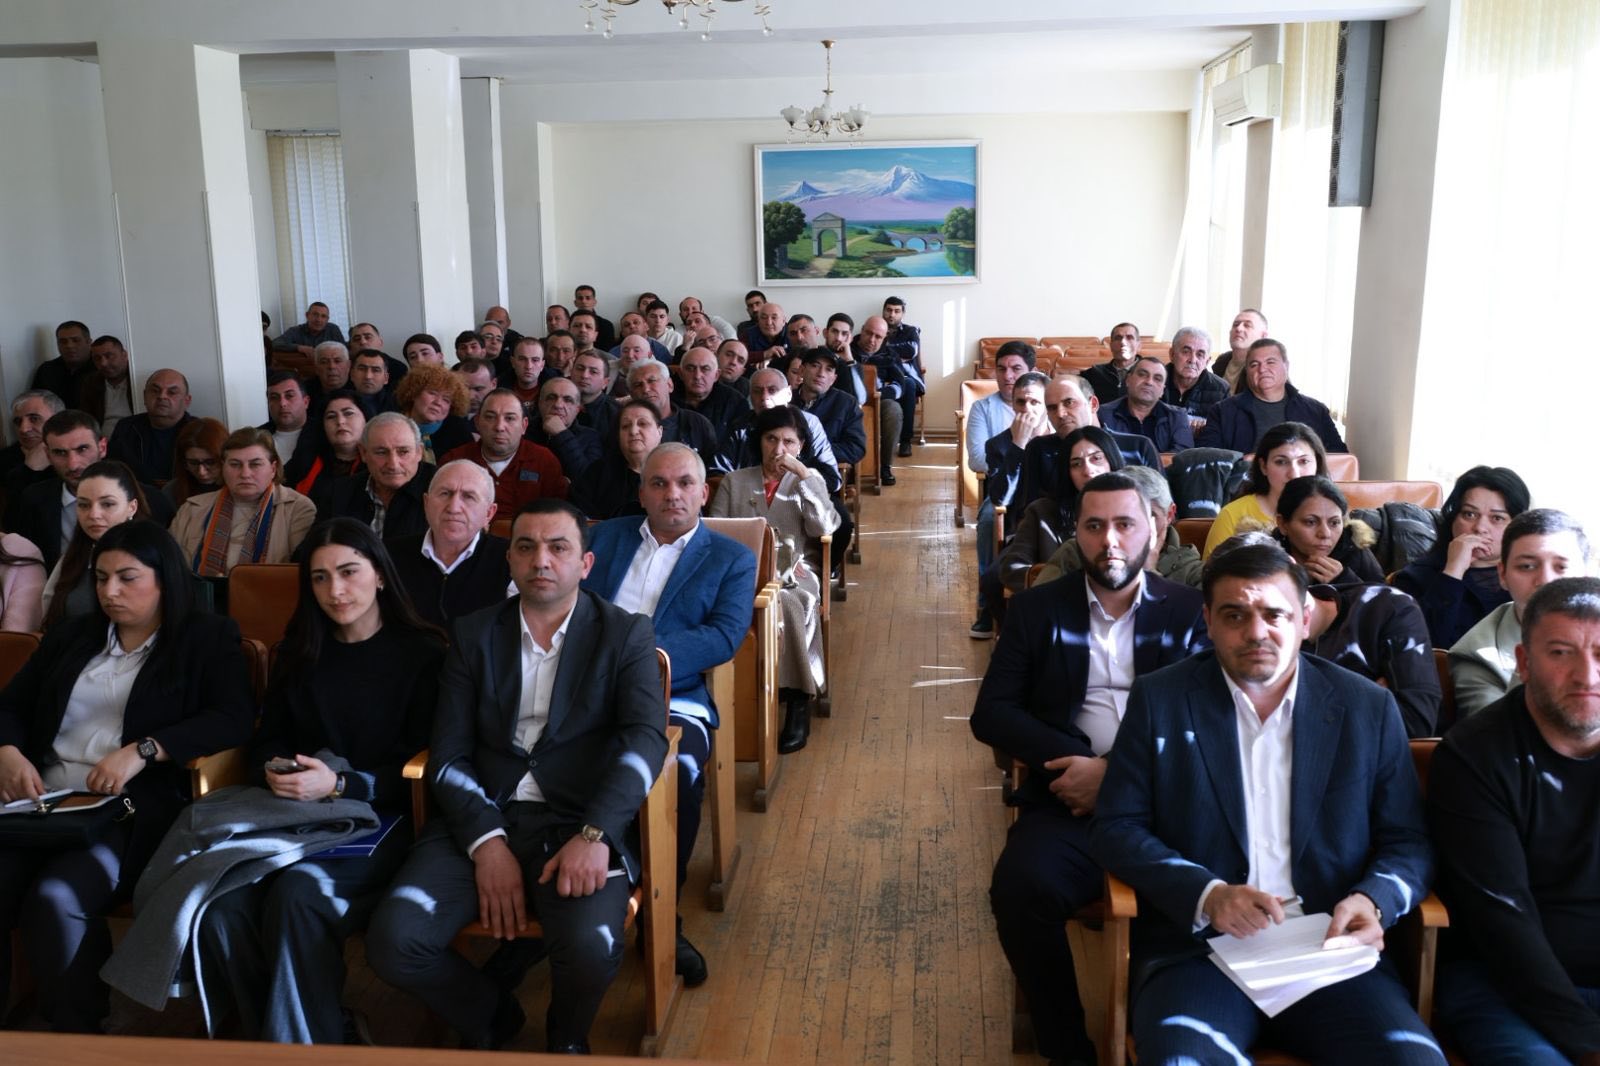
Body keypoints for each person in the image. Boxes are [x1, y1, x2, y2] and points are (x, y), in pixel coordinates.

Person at [1091, 535, 1440, 1064]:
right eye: (1234, 615)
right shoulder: (1161, 698)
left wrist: (1373, 900)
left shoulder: (1367, 708)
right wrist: (1207, 894)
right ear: (1208, 622)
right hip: (1200, 953)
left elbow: (1408, 841)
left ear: (1305, 619)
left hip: (1327, 947)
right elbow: (1116, 827)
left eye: (1274, 615)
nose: (1256, 632)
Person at [365, 499, 669, 1054]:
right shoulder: (474, 633)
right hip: (482, 815)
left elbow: (645, 740)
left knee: (591, 946)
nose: (540, 560)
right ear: (509, 560)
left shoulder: (625, 633)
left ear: (586, 564)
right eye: (525, 547)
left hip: (578, 819)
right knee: (394, 941)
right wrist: (486, 842)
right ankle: (492, 1014)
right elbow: (449, 753)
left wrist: (597, 833)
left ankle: (566, 1039)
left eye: (558, 548)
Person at [971, 472, 1209, 1066]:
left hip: (1170, 804)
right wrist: (1072, 765)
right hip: (1068, 800)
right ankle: (1066, 1047)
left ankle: (1172, 1024)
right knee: (1020, 889)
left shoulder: (1191, 612)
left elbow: (1209, 720)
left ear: (1154, 530)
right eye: (1095, 526)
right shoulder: (1036, 608)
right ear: (1075, 533)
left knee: (1210, 887)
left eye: (1125, 524)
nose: (1110, 541)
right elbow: (991, 712)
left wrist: (1115, 775)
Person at [189, 519, 444, 1044]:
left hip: (386, 816)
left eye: (349, 572)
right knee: (223, 904)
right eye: (321, 578)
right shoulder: (300, 650)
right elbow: (268, 740)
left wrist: (340, 786)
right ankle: (294, 1038)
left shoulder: (426, 653)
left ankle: (308, 1044)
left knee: (298, 895)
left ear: (379, 575)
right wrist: (275, 769)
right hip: (300, 815)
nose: (336, 590)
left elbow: (426, 767)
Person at [0, 520, 253, 1033]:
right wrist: (7, 751)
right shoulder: (73, 636)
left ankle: (77, 1032)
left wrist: (145, 749)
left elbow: (232, 717)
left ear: (165, 580)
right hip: (39, 800)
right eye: (101, 577)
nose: (110, 591)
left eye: (127, 578)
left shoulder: (205, 638)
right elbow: (11, 706)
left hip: (127, 809)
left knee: (56, 898)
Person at [585, 444, 757, 984]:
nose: (672, 494)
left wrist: (633, 658)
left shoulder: (730, 557)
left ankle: (662, 913)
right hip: (582, 688)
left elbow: (723, 636)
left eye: (684, 484)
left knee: (676, 776)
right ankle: (585, 894)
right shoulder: (602, 538)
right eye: (658, 484)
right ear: (641, 493)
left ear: (704, 493)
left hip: (673, 693)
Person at [1430, 577, 1600, 1063]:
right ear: (1523, 663)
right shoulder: (1474, 756)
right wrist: (1591, 1045)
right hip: (1503, 984)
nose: (1586, 676)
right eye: (1561, 653)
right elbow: (1504, 926)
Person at [709, 407, 839, 751]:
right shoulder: (735, 481)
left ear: (800, 446)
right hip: (742, 571)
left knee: (790, 603)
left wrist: (804, 475)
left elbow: (825, 527)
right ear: (759, 441)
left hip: (795, 571)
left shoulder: (809, 480)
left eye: (788, 442)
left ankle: (798, 698)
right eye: (771, 439)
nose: (778, 449)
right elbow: (714, 533)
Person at [1448, 508, 1591, 719]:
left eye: (1561, 567)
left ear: (1586, 575)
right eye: (1527, 566)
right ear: (1502, 575)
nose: (1545, 580)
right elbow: (1497, 732)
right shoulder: (1476, 656)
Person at [987, 426, 1124, 617]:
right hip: (1059, 613)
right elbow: (1011, 569)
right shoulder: (1042, 512)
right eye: (1076, 464)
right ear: (1067, 472)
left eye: (1096, 458)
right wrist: (1065, 586)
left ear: (1112, 461)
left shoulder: (1134, 512)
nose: (1087, 470)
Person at [1392, 465, 1531, 648]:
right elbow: (1421, 647)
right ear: (1453, 519)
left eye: (1497, 518)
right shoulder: (1416, 577)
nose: (1480, 527)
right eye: (1469, 514)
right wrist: (1453, 571)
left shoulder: (1532, 577)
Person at [1301, 576, 1441, 737]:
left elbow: (1415, 725)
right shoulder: (1278, 645)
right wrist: (1371, 698)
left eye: (1276, 614)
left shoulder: (1386, 607)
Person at [171, 429, 317, 576]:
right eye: (235, 464)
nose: (245, 474)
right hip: (200, 590)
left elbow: (300, 574)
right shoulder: (191, 508)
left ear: (273, 469)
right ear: (223, 467)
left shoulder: (298, 508)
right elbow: (170, 566)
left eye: (255, 464)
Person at [1038, 463, 1206, 589]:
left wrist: (1148, 574)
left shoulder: (1192, 571)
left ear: (1170, 514)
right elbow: (1036, 611)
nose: (1141, 527)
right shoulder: (1076, 552)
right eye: (1126, 520)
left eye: (1150, 516)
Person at [388, 461, 513, 629]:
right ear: (426, 503)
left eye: (468, 497)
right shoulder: (390, 555)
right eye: (445, 493)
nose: (454, 508)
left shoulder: (510, 560)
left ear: (489, 513)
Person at [1018, 375, 1160, 512]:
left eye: (1069, 403)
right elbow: (1027, 512)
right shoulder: (1039, 449)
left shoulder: (1139, 447)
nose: (1060, 413)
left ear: (1093, 404)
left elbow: (1160, 507)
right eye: (1052, 408)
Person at [42, 460, 150, 629]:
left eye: (107, 504)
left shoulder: (154, 557)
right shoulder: (73, 558)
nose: (93, 514)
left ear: (132, 507)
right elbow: (49, 618)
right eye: (83, 505)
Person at [1196, 338, 1349, 454]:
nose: (1262, 369)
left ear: (1286, 366)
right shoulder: (1223, 412)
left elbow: (1339, 459)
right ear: (1247, 372)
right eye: (1254, 365)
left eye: (1270, 362)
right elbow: (1208, 460)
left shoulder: (1315, 411)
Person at [1203, 421, 1329, 558]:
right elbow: (1212, 570)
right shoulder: (1232, 515)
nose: (1294, 474)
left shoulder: (1334, 513)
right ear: (1263, 466)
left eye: (1303, 462)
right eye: (1281, 462)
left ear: (1318, 464)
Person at [440, 389, 568, 513]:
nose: (499, 427)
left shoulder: (544, 461)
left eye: (510, 418)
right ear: (477, 422)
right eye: (490, 417)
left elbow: (558, 515)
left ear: (524, 425)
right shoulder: (454, 461)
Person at [314, 413, 435, 542]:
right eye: (381, 452)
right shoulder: (338, 493)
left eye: (403, 452)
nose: (393, 464)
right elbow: (314, 547)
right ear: (363, 453)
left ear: (419, 452)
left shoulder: (441, 490)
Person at [13, 410, 109, 572]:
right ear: (48, 455)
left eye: (82, 449)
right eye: (60, 453)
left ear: (102, 447)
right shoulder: (34, 500)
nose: (73, 464)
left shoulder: (142, 496)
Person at [1272, 475, 1386, 586]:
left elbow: (1386, 596)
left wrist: (1344, 580)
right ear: (1283, 524)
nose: (1325, 534)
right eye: (1310, 522)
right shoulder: (1268, 554)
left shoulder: (1353, 546)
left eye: (1334, 523)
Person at [569, 400, 661, 521]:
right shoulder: (597, 473)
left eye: (642, 424)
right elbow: (578, 516)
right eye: (625, 426)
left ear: (660, 432)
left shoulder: (675, 470)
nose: (633, 431)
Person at [106, 369, 195, 484]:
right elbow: (112, 472)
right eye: (155, 391)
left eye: (172, 392)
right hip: (136, 493)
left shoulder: (199, 431)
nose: (162, 396)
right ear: (144, 396)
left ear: (187, 401)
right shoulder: (126, 428)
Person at [1098, 355, 1195, 453]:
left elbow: (1182, 455)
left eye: (1157, 379)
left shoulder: (1177, 416)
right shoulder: (1104, 414)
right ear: (1128, 380)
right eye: (1142, 375)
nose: (1149, 382)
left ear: (1162, 390)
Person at [1, 389, 66, 527]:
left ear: (58, 420)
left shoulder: (75, 455)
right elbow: (12, 520)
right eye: (18, 421)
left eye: (34, 419)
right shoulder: (5, 459)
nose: (23, 429)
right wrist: (29, 470)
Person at [393, 363, 473, 464]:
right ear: (414, 393)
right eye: (432, 393)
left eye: (446, 400)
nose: (438, 402)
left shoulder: (459, 430)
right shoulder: (391, 425)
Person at [294, 390, 367, 498]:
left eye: (348, 413)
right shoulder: (306, 460)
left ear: (366, 419)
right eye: (331, 416)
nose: (340, 421)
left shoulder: (377, 461)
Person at [527, 377, 602, 479]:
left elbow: (589, 479)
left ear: (577, 409)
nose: (558, 405)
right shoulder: (524, 431)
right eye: (551, 397)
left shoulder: (591, 437)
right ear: (540, 403)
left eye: (568, 400)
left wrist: (562, 434)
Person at [880, 296, 924, 456]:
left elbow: (911, 351)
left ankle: (905, 441)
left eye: (896, 311)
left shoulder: (910, 331)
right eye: (889, 310)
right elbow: (869, 351)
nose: (892, 314)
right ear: (883, 311)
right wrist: (897, 353)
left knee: (908, 384)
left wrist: (886, 349)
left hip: (905, 376)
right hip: (881, 376)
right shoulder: (875, 330)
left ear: (902, 314)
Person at [1162, 326, 1228, 431]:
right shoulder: (1155, 381)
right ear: (1172, 354)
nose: (1192, 360)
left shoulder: (1221, 390)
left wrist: (1204, 431)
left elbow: (1224, 431)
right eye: (1186, 352)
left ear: (1207, 361)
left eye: (1200, 355)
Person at [676, 345, 748, 439]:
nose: (697, 376)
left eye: (705, 369)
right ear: (681, 374)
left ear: (716, 375)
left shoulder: (736, 402)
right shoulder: (668, 398)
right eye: (690, 368)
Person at [264, 371, 319, 485]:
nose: (282, 403)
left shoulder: (323, 434)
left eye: (289, 396)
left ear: (306, 402)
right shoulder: (255, 437)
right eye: (274, 397)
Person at [163, 417, 227, 510]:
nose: (202, 472)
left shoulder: (242, 487)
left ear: (225, 458)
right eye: (193, 463)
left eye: (210, 462)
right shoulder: (172, 491)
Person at [79, 335, 135, 439]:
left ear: (124, 355)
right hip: (101, 441)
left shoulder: (136, 380)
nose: (103, 363)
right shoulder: (91, 382)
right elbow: (86, 419)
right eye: (97, 358)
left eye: (109, 356)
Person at [31, 321, 95, 403]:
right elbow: (34, 403)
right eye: (63, 341)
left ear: (89, 342)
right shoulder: (47, 370)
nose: (69, 346)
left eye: (76, 340)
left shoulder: (101, 368)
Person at [1080, 321, 1142, 404]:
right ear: (1111, 346)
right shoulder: (1094, 373)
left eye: (1129, 338)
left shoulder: (1151, 373)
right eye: (1118, 338)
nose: (1123, 342)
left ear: (1139, 346)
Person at [1209, 307, 1268, 392]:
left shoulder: (1266, 369)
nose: (1239, 329)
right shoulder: (1221, 362)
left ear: (1263, 336)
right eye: (1235, 325)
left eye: (1247, 325)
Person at [273, 302, 345, 362]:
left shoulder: (333, 329)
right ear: (307, 315)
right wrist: (300, 347)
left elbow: (344, 351)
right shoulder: (295, 331)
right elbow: (275, 343)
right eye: (315, 315)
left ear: (327, 319)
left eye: (323, 316)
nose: (319, 320)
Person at [349, 349, 397, 414]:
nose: (368, 376)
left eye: (376, 370)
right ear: (352, 375)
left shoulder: (399, 405)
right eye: (362, 369)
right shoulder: (339, 402)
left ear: (386, 378)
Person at [573, 283, 616, 350]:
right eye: (580, 298)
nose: (584, 301)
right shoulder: (569, 323)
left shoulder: (606, 325)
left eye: (588, 298)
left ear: (594, 302)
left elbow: (607, 352)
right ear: (575, 303)